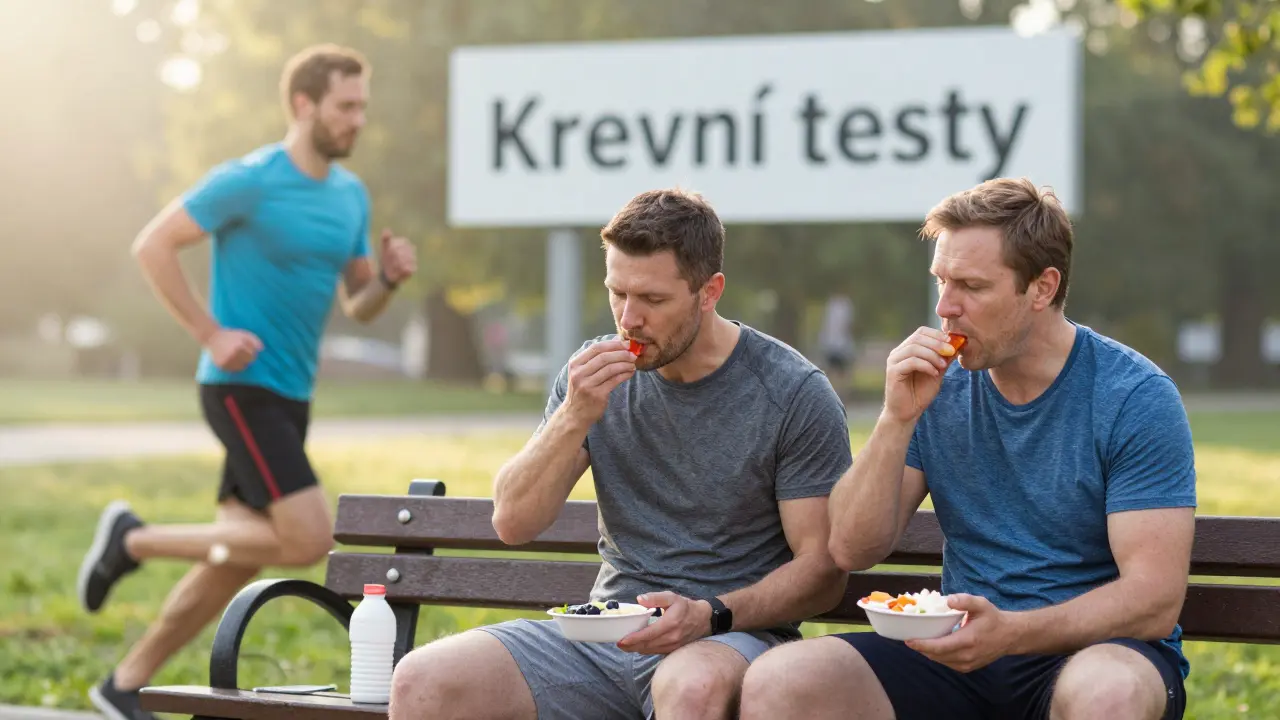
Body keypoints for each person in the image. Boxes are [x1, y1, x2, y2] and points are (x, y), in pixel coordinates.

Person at [740, 177, 1197, 720]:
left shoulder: (1133, 397)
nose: (946, 309)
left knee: (1107, 694)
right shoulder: (940, 388)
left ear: (1042, 288)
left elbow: (1154, 598)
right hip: (960, 650)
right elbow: (850, 549)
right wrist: (895, 418)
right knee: (781, 680)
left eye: (971, 287)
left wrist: (1013, 633)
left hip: (1097, 652)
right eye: (941, 281)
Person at [387, 188, 853, 720]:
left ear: (709, 291)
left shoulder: (791, 392)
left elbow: (822, 570)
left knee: (691, 687)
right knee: (423, 681)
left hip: (729, 636)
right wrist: (573, 417)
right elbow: (513, 521)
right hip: (604, 633)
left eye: (652, 300)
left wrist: (708, 614)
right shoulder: (591, 374)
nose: (628, 319)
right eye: (617, 293)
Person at [76, 44, 417, 720]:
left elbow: (358, 302)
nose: (358, 120)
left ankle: (124, 683)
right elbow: (154, 243)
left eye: (362, 108)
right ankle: (133, 540)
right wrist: (209, 333)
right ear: (303, 104)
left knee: (233, 558)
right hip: (240, 386)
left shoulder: (350, 194)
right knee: (309, 538)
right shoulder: (251, 179)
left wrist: (386, 279)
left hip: (292, 396)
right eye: (345, 106)